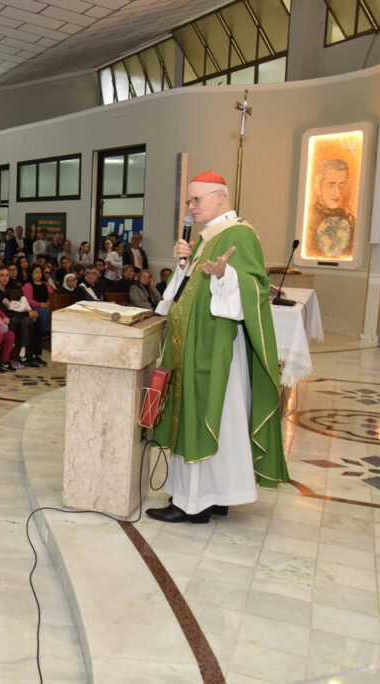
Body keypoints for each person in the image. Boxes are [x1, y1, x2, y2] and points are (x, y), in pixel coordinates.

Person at [146, 170, 287, 524]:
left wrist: (227, 276)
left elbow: (256, 288)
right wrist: (183, 264)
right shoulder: (209, 238)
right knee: (211, 420)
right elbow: (181, 296)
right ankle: (215, 496)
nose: (191, 207)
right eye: (189, 201)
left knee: (207, 417)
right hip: (193, 347)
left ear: (220, 196)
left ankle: (193, 503)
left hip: (214, 351)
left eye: (197, 199)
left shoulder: (239, 233)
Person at [0, 266, 45, 368]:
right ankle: (25, 357)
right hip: (4, 320)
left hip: (16, 316)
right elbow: (5, 313)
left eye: (7, 275)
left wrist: (29, 312)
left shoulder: (9, 290)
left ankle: (34, 355)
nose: (5, 278)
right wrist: (27, 314)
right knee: (27, 321)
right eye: (2, 275)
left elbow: (18, 306)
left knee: (37, 320)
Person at [309, 158, 356, 258]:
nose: (337, 192)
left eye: (341, 185)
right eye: (331, 185)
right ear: (318, 187)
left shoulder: (352, 221)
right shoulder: (307, 218)